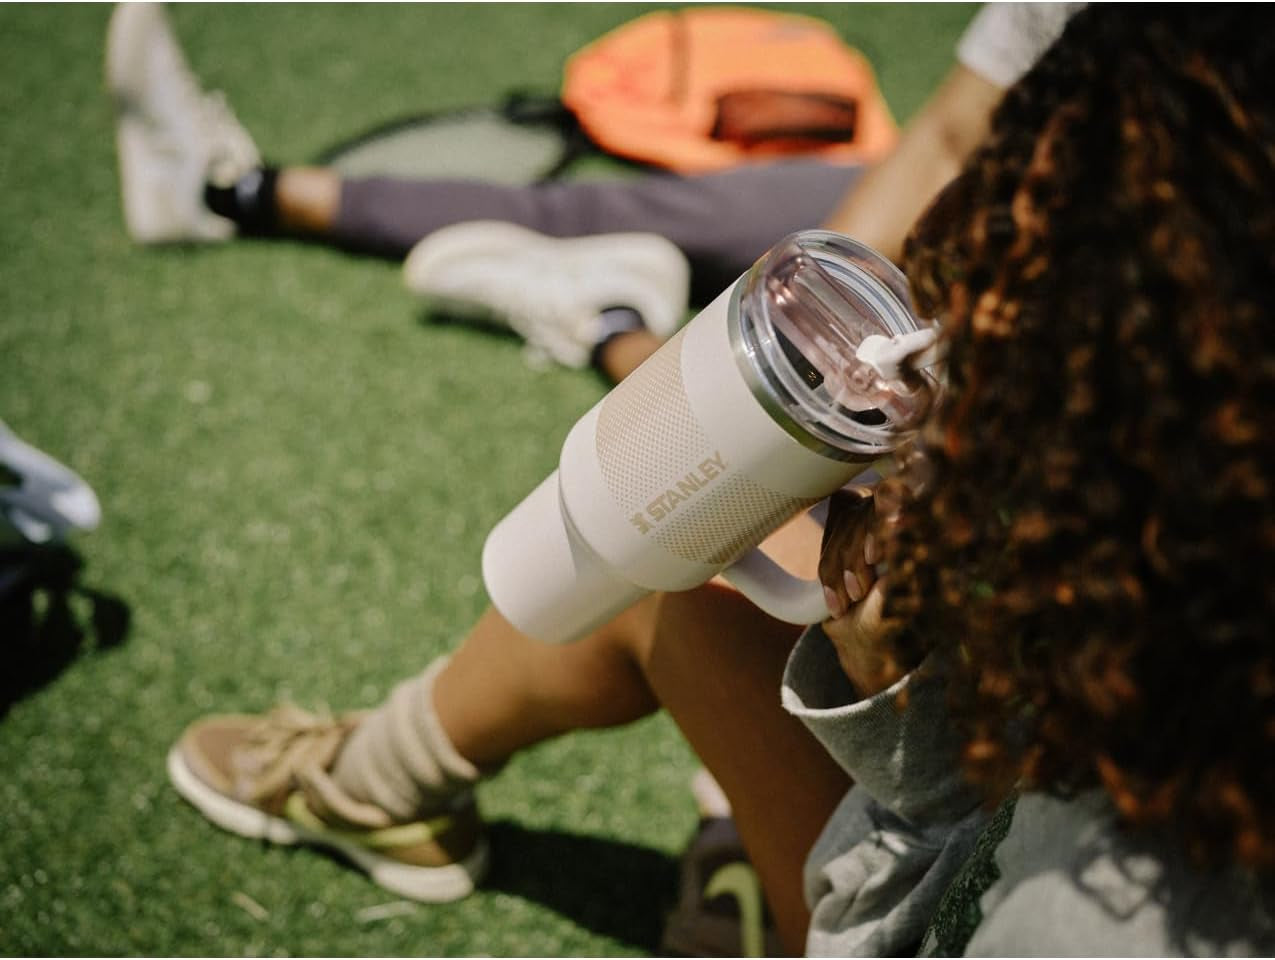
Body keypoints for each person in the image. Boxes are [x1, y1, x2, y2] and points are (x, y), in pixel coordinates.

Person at [164, 5, 1275, 955]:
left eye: (1022, 308)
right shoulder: (1190, 572)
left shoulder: (1127, 913)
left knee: (683, 557)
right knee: (710, 527)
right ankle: (386, 774)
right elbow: (952, 138)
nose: (961, 328)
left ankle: (378, 773)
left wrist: (899, 715)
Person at [107, 2, 1076, 382]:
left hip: (1073, 330)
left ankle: (607, 321)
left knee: (767, 517)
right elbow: (952, 131)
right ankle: (236, 190)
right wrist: (806, 346)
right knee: (639, 222)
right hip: (1004, 208)